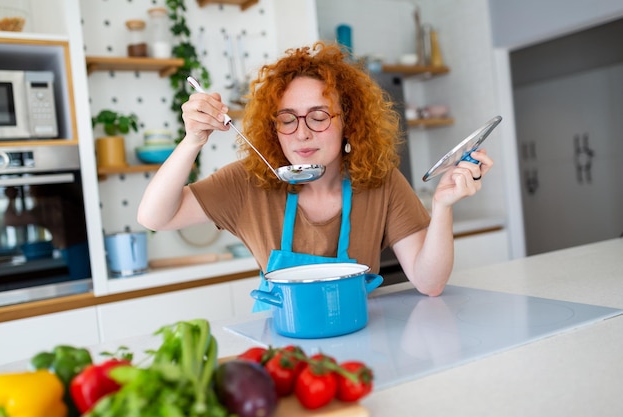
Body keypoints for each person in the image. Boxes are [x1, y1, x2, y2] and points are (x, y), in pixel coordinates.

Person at [137, 41, 493, 311]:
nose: (302, 133)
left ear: (347, 121)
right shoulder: (248, 181)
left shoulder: (380, 181)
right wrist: (193, 140)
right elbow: (154, 217)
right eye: (288, 118)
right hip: (283, 346)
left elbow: (430, 283)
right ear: (273, 127)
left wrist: (444, 206)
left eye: (319, 116)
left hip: (359, 334)